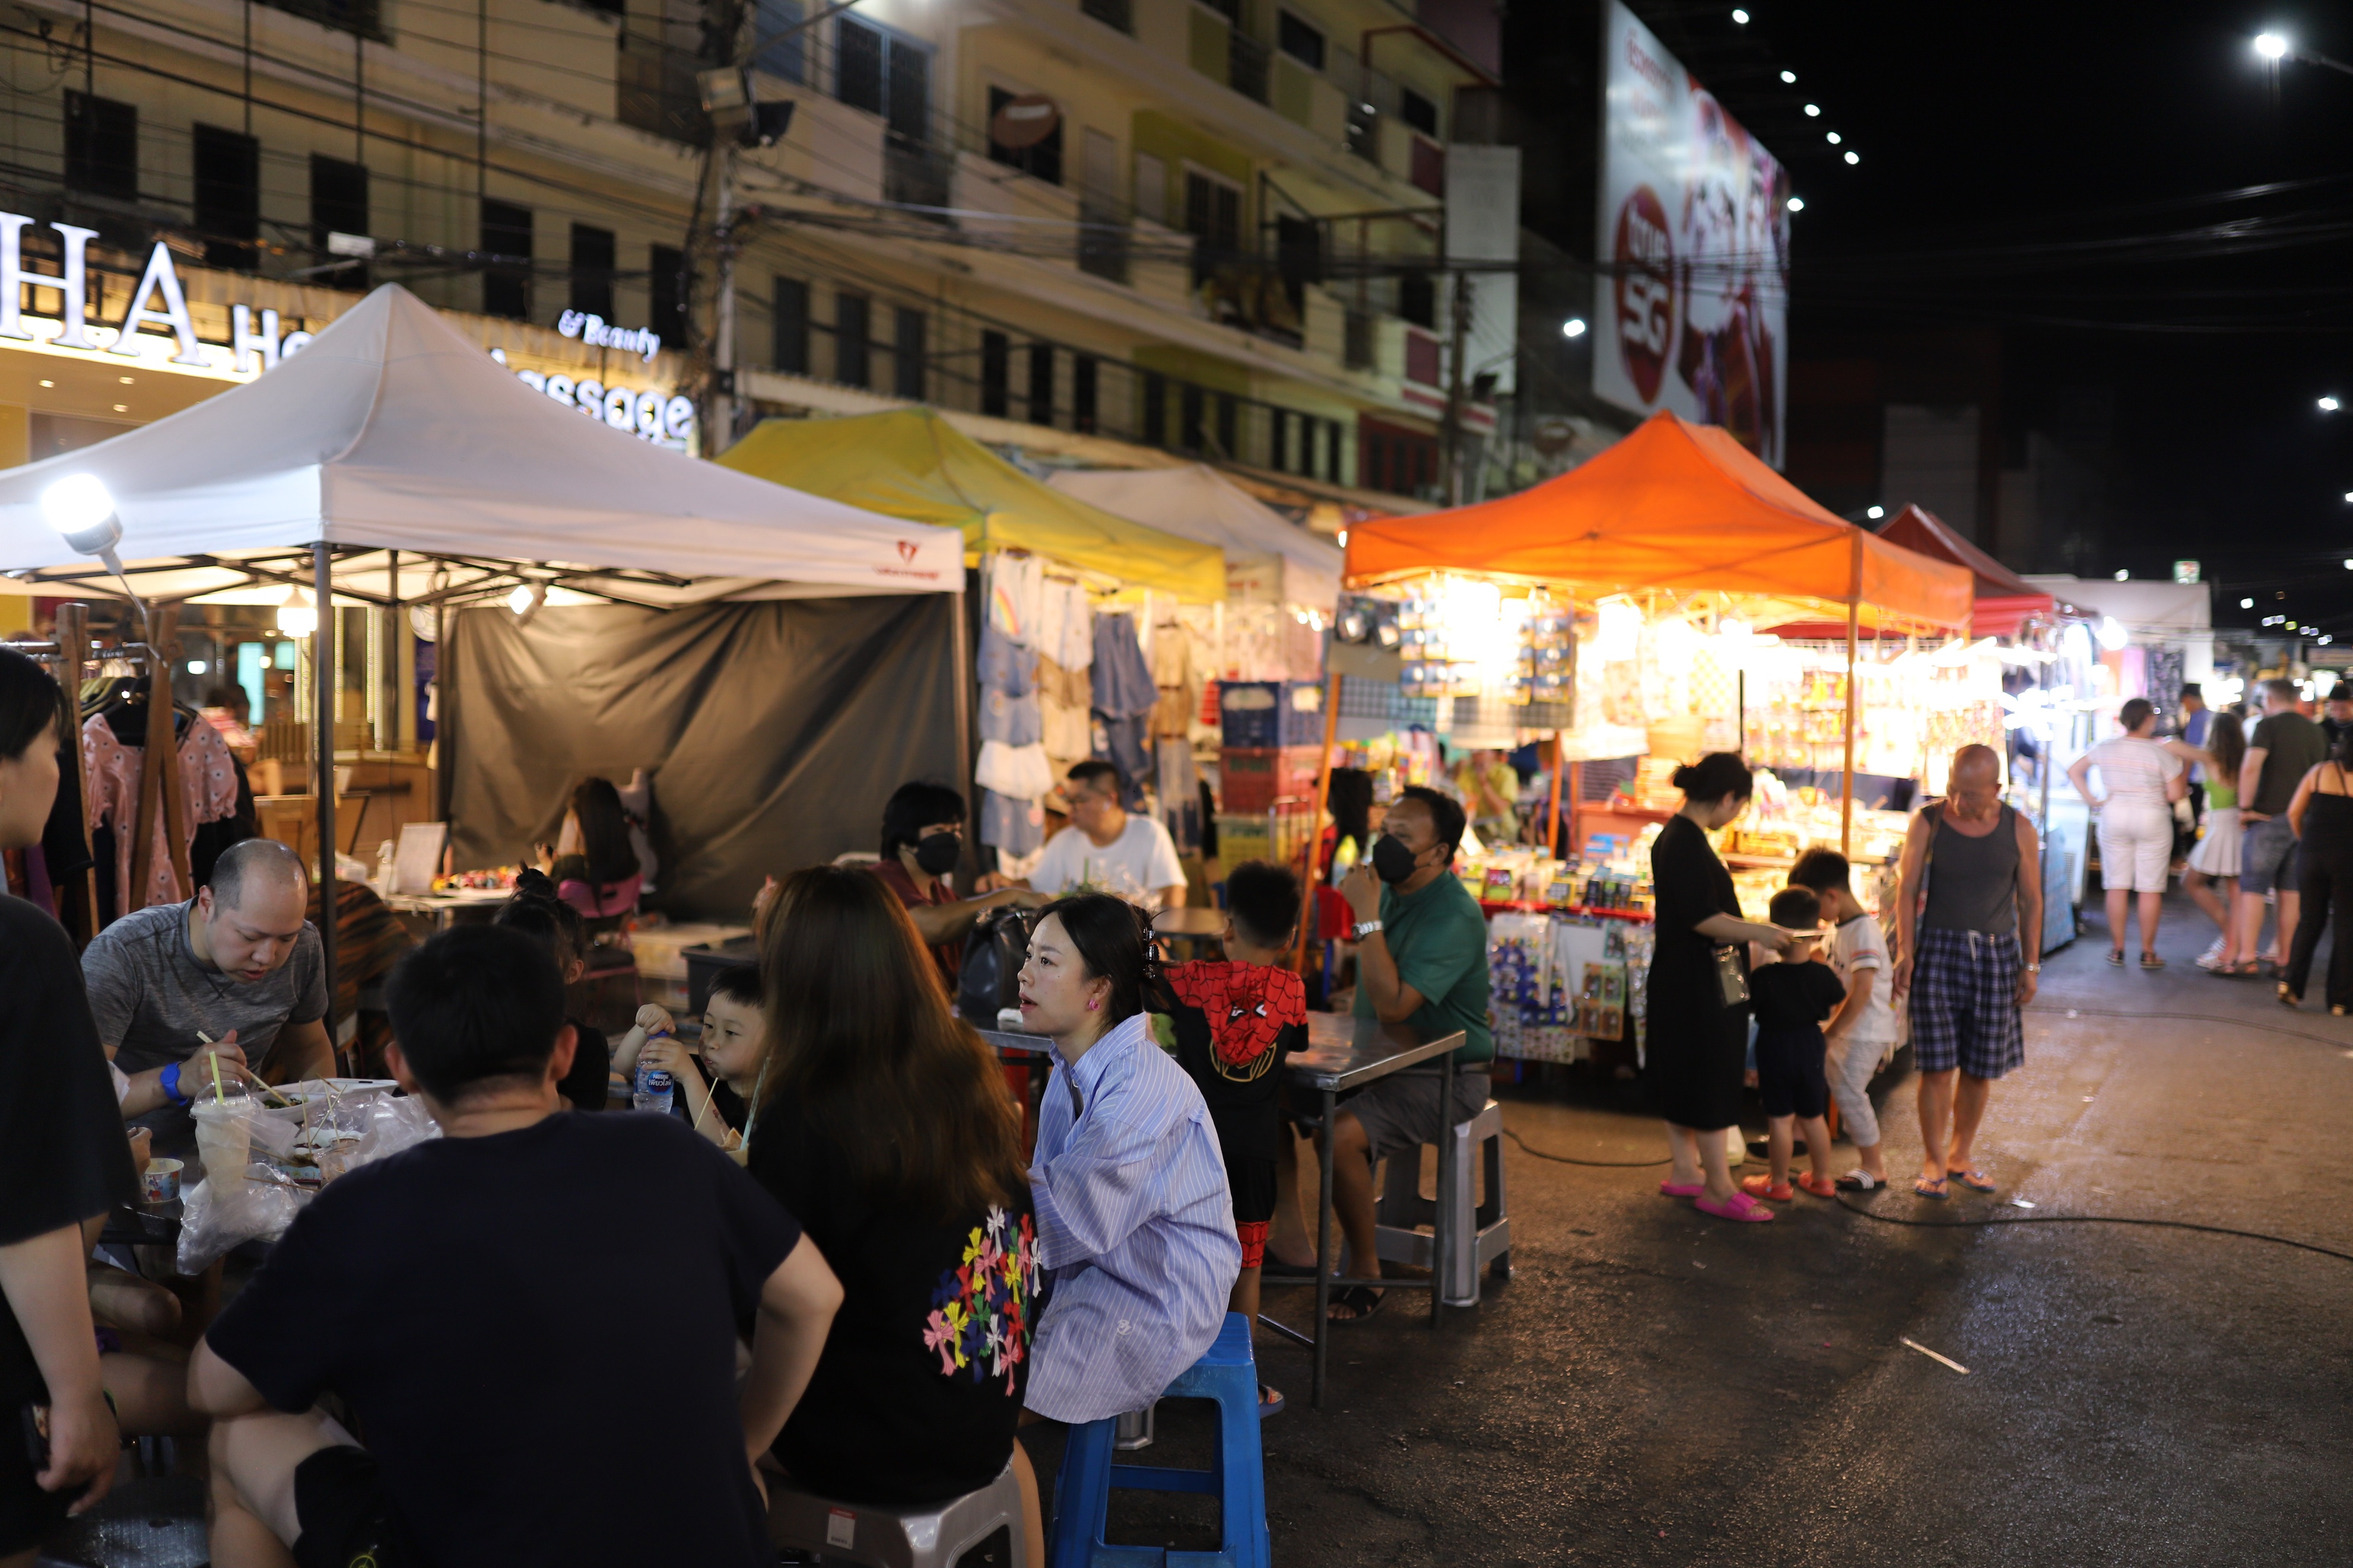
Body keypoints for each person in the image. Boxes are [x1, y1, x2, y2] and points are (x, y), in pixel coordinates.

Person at [189, 924, 844, 1568]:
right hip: (710, 1543)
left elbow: (212, 1390)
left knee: (235, 1436)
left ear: (402, 1070)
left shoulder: (362, 1209)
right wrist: (743, 1442)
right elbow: (815, 1298)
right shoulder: (672, 1154)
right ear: (563, 1054)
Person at [739, 869, 1044, 1559]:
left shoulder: (808, 1110)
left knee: (675, 1418)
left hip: (887, 1441)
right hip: (984, 1417)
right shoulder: (963, 1067)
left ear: (796, 977)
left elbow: (785, 1302)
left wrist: (741, 1443)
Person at [0, 648, 136, 1566]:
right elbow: (30, 1205)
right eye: (53, 747)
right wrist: (78, 1392)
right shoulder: (19, 946)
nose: (60, 771)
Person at [1017, 894, 1238, 1421]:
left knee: (989, 1399)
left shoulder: (1138, 1092)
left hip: (1156, 1288)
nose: (1023, 974)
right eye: (1028, 955)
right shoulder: (1069, 1068)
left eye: (1046, 961)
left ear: (1099, 987)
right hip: (1099, 1263)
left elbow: (1064, 1213)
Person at [1324, 785, 1498, 1310]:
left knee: (1336, 1137)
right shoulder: (1391, 893)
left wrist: (1366, 916)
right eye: (1384, 832)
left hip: (1444, 1075)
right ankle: (1288, 1247)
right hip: (1376, 1062)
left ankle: (1367, 1267)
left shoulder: (1453, 914)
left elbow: (1395, 1004)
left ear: (1440, 852)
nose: (1385, 845)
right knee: (1269, 1113)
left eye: (1402, 836)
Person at [1151, 861, 1306, 1413]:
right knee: (1246, 1267)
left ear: (1226, 927)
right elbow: (1300, 1040)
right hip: (1254, 1154)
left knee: (1183, 1257)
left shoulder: (1191, 981)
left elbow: (1146, 974)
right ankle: (1238, 1384)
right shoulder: (1291, 992)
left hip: (1191, 1150)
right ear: (1289, 937)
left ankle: (1166, 1372)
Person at [81, 837, 335, 1143]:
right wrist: (178, 1079)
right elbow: (81, 1095)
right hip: (140, 1156)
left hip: (246, 1148)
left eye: (285, 939)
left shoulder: (304, 945)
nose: (267, 957)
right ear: (206, 904)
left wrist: (323, 1135)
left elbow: (308, 1047)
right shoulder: (123, 954)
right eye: (250, 937)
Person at [1644, 754, 1795, 1224]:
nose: (1736, 816)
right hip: (1696, 982)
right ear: (1728, 797)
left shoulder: (1682, 837)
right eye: (1741, 806)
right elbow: (1700, 918)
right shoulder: (1684, 842)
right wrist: (1760, 932)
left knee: (1686, 1070)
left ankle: (1687, 1169)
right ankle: (1716, 1186)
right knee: (1709, 1072)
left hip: (1709, 976)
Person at [1892, 745, 2043, 1200]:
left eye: (1971, 795)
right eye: (1953, 790)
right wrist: (1905, 950)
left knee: (1979, 1067)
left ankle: (1961, 1155)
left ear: (1997, 788)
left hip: (1997, 955)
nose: (1959, 802)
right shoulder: (1927, 821)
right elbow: (1906, 887)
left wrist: (2031, 963)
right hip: (1938, 949)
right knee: (1936, 1066)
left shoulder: (2018, 827)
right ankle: (1933, 1158)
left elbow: (2031, 899)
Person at [1787, 848, 1899, 1191]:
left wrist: (1830, 1034)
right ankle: (1793, 1136)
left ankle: (1875, 1167)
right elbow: (1824, 956)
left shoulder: (1863, 930)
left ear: (1832, 896)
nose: (1814, 914)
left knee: (1850, 1093)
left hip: (1865, 1030)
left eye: (1813, 905)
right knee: (1822, 1080)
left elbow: (1862, 991)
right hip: (1852, 1027)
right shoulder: (1841, 927)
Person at [868, 781, 1049, 994]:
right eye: (939, 830)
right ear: (905, 839)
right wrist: (1009, 896)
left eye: (956, 830)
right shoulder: (878, 883)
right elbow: (929, 926)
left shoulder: (945, 897)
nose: (952, 838)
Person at [1739, 887, 1846, 1204]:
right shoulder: (1822, 975)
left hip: (1774, 1046)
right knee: (1814, 1117)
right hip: (1811, 1045)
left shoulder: (1764, 977)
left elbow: (1745, 1005)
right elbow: (1838, 1002)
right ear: (1815, 933)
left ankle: (1778, 1183)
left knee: (1780, 1119)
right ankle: (1824, 1180)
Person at [2067, 698, 2186, 969]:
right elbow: (2176, 794)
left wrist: (2093, 799)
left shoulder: (2106, 747)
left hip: (2114, 814)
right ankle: (2147, 952)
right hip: (2152, 817)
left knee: (2116, 883)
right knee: (2150, 887)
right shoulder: (2160, 753)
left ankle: (2118, 950)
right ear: (2148, 720)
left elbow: (2075, 770)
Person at [493, 867, 616, 1112]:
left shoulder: (586, 1047)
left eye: (537, 964)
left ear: (571, 972)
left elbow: (564, 1129)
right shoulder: (479, 1028)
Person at [2233, 678, 2328, 979]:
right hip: (2305, 821)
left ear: (2270, 699)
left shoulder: (2267, 727)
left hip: (2266, 817)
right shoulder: (2317, 731)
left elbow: (2251, 766)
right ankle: (2284, 958)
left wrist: (2246, 808)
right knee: (2291, 892)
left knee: (2253, 888)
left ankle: (2247, 956)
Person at [1008, 761, 1187, 911]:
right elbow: (1035, 886)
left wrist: (1158, 936)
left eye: (1079, 801)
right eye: (1069, 802)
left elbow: (1173, 891)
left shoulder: (1149, 833)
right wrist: (1004, 883)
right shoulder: (1064, 840)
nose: (1071, 809)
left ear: (1109, 800)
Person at [637, 966, 763, 1146]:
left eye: (730, 1032)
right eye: (709, 1025)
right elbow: (624, 1065)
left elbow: (730, 1153)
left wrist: (691, 1078)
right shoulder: (699, 1071)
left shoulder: (781, 1104)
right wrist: (647, 1025)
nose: (712, 1042)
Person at [2164, 712, 2247, 971]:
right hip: (2240, 827)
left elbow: (2171, 746)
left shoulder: (2212, 758)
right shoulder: (2244, 759)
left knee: (2192, 881)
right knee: (2236, 891)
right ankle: (2233, 940)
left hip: (2220, 827)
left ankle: (2229, 937)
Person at [2282, 731, 2353, 1014]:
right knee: (2347, 927)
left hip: (2312, 856)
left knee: (2310, 921)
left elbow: (2293, 813)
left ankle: (2291, 986)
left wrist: (2306, 842)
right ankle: (2339, 1000)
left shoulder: (2320, 772)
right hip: (2348, 860)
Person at [535, 775, 642, 921]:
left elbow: (544, 908)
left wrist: (549, 867)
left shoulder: (570, 866)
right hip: (612, 929)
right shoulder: (631, 862)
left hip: (573, 938)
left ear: (582, 820)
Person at [1453, 748, 1520, 844]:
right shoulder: (1468, 772)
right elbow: (1458, 798)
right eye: (1474, 752)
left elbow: (1499, 809)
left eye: (1481, 752)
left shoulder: (1506, 774)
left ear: (1494, 754)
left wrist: (1484, 783)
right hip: (1476, 830)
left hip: (1502, 832)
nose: (1476, 756)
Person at [2322, 682, 2353, 753]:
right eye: (2334, 709)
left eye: (2344, 709)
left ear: (2352, 704)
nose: (2339, 713)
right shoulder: (2323, 728)